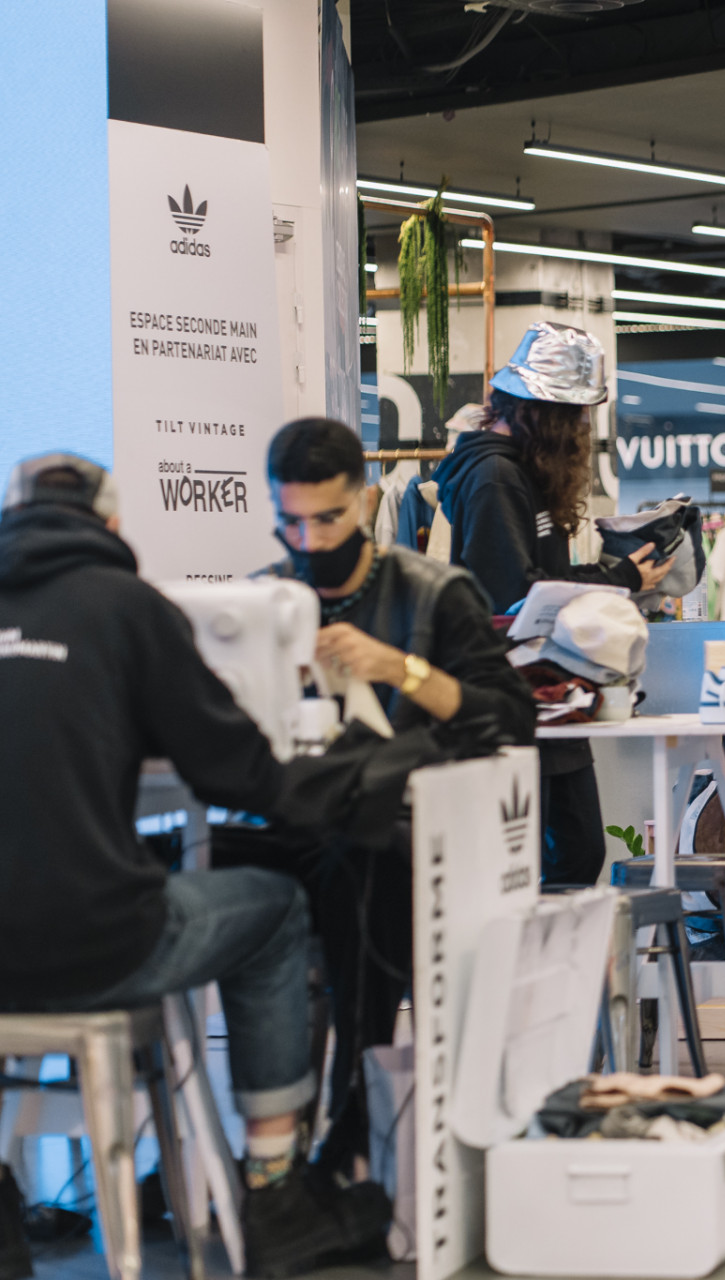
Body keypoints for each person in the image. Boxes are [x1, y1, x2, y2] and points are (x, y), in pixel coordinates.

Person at [0, 454, 388, 1278]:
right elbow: (232, 771)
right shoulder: (131, 608)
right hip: (96, 948)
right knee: (276, 909)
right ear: (112, 524)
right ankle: (275, 1194)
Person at [240, 417, 536, 1177]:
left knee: (361, 871)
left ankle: (350, 1121)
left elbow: (509, 717)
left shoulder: (432, 595)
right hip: (300, 823)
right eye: (291, 522)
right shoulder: (265, 600)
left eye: (328, 519)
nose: (308, 540)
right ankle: (261, 1140)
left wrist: (399, 669)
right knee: (209, 866)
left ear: (366, 502)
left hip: (407, 832)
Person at [432, 321, 671, 887]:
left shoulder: (518, 474)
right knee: (551, 861)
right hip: (514, 697)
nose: (583, 428)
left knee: (575, 853)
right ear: (548, 415)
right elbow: (512, 595)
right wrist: (617, 579)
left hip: (545, 693)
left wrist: (619, 576)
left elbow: (539, 578)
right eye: (578, 415)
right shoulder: (494, 477)